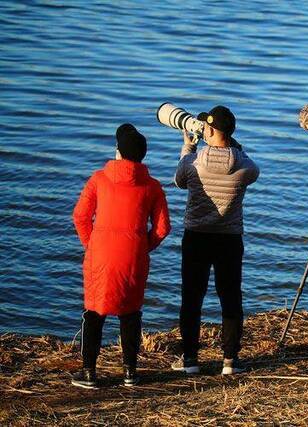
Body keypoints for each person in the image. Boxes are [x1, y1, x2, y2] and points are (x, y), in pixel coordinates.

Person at [71, 123, 171, 388]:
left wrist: (91, 243)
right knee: (131, 313)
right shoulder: (152, 186)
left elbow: (80, 216)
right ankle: (130, 372)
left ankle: (89, 372)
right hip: (134, 255)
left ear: (118, 152)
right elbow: (163, 228)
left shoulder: (99, 179)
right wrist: (142, 246)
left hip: (101, 252)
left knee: (94, 311)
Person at [171, 105, 259, 375]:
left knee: (192, 297)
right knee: (230, 297)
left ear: (208, 129)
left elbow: (179, 182)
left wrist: (187, 147)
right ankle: (230, 360)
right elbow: (251, 168)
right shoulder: (245, 165)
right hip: (229, 239)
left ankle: (190, 361)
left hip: (196, 237)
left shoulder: (192, 161)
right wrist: (232, 145)